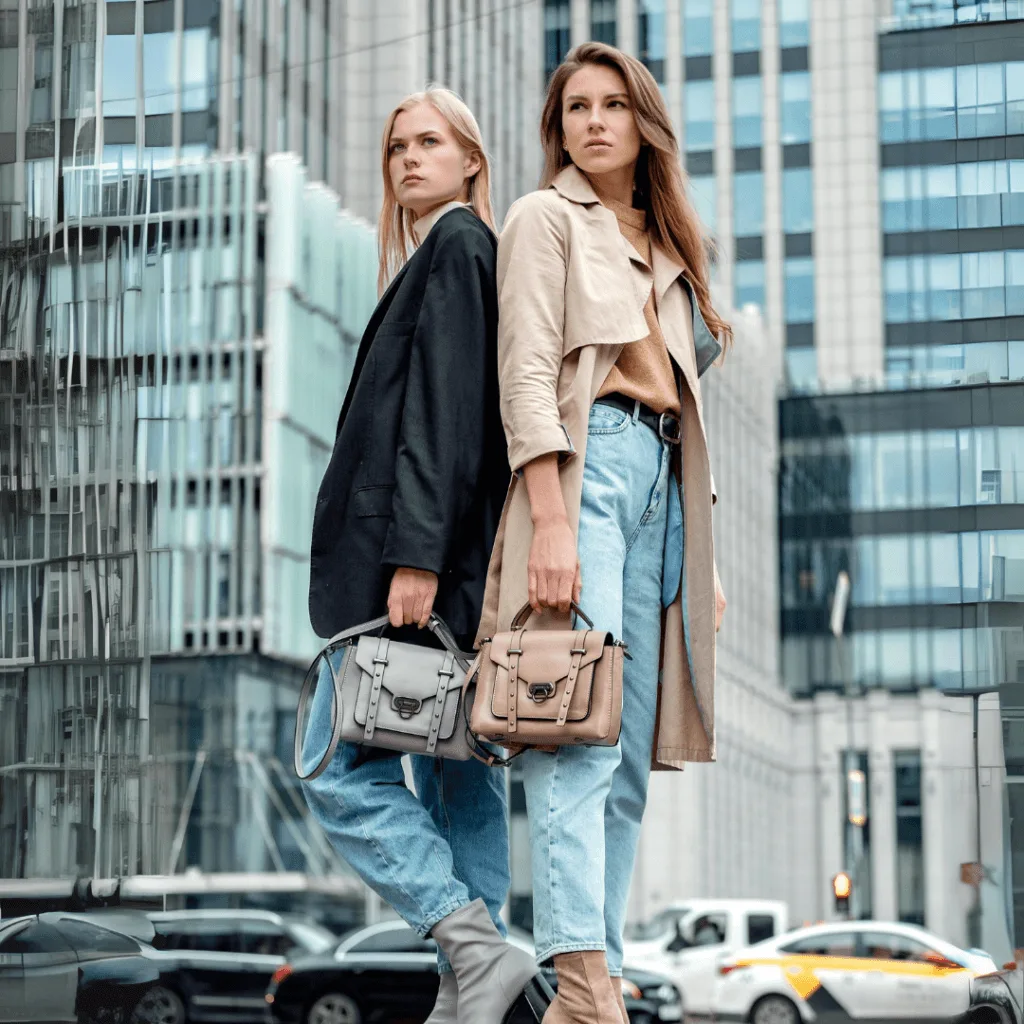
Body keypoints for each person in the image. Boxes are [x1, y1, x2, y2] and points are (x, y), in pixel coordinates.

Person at [480, 43, 730, 1023]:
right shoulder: (546, 218)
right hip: (589, 473)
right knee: (571, 737)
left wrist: (697, 565)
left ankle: (599, 974)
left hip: (661, 494)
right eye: (575, 106)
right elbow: (527, 373)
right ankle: (581, 983)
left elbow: (689, 414)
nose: (592, 122)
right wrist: (549, 516)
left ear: (644, 123)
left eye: (612, 105)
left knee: (627, 761)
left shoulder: (668, 251)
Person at [303, 87, 542, 1024]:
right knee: (456, 776)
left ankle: (468, 943)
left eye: (430, 142)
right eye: (398, 144)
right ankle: (477, 991)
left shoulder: (456, 245)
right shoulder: (452, 253)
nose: (409, 158)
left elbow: (443, 417)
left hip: (415, 576)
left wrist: (415, 559)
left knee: (335, 770)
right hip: (452, 572)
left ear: (471, 161)